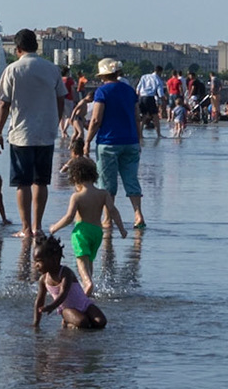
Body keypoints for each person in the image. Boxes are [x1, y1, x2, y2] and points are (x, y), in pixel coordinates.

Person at [0, 28, 63, 239]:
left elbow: (4, 105)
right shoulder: (51, 69)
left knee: (22, 183)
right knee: (41, 182)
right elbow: (61, 98)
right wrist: (55, 120)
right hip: (46, 133)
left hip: (21, 134)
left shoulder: (13, 70)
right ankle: (38, 226)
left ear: (18, 49)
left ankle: (25, 228)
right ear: (36, 46)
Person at [47, 155, 125, 294]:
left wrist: (55, 227)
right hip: (97, 232)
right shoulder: (103, 193)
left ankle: (87, 283)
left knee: (81, 260)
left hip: (81, 231)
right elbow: (113, 211)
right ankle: (88, 285)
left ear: (75, 178)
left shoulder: (77, 196)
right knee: (89, 260)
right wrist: (122, 229)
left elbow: (69, 217)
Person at [86, 58, 147, 230]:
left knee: (107, 183)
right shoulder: (129, 91)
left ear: (103, 75)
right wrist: (139, 138)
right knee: (131, 179)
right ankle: (138, 215)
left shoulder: (102, 92)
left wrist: (87, 140)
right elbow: (137, 117)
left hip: (108, 142)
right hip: (130, 141)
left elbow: (96, 119)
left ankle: (107, 219)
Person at [32, 234, 105, 330]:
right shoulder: (43, 279)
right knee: (83, 323)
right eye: (35, 261)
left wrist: (52, 306)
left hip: (85, 304)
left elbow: (63, 293)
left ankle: (73, 322)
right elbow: (39, 300)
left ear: (54, 259)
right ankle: (68, 321)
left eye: (39, 261)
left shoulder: (65, 272)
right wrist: (36, 323)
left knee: (101, 322)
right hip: (67, 309)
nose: (36, 265)